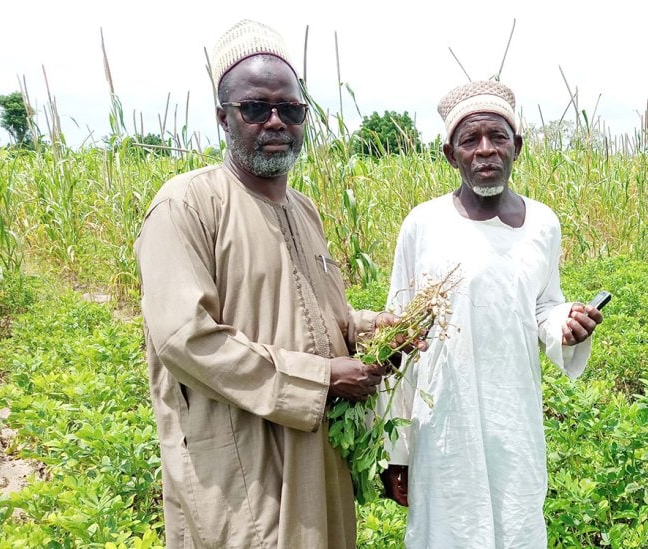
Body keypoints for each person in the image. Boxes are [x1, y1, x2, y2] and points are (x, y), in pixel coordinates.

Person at [135, 19, 401, 548]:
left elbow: (314, 313)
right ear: (222, 117)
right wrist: (321, 379)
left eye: (291, 110)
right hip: (243, 457)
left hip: (316, 451)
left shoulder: (304, 209)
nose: (276, 121)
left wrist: (373, 329)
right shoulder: (186, 205)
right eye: (256, 108)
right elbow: (185, 339)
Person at [379, 80, 604, 548]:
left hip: (512, 418)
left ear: (516, 146)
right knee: (447, 529)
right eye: (470, 139)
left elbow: (542, 304)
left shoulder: (543, 224)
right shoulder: (423, 225)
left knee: (516, 522)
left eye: (497, 137)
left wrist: (565, 323)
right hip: (441, 423)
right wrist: (395, 449)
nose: (485, 150)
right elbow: (396, 337)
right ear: (450, 154)